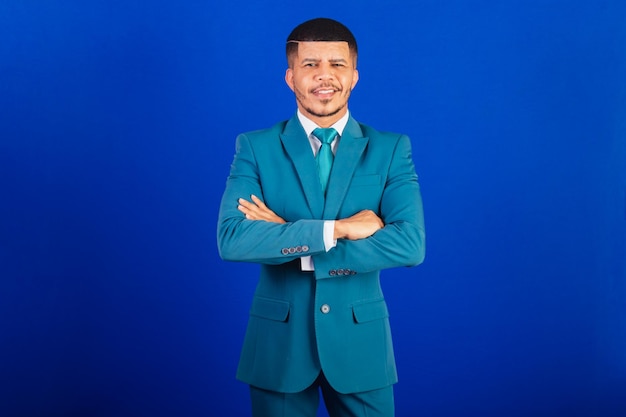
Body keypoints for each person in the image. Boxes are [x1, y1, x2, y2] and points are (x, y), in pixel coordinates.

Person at [217, 17, 425, 417]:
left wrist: (291, 240)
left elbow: (410, 244)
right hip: (278, 346)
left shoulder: (391, 149)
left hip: (361, 347)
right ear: (290, 76)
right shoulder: (255, 148)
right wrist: (339, 230)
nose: (324, 76)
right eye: (311, 64)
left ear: (355, 76)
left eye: (337, 64)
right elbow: (233, 238)